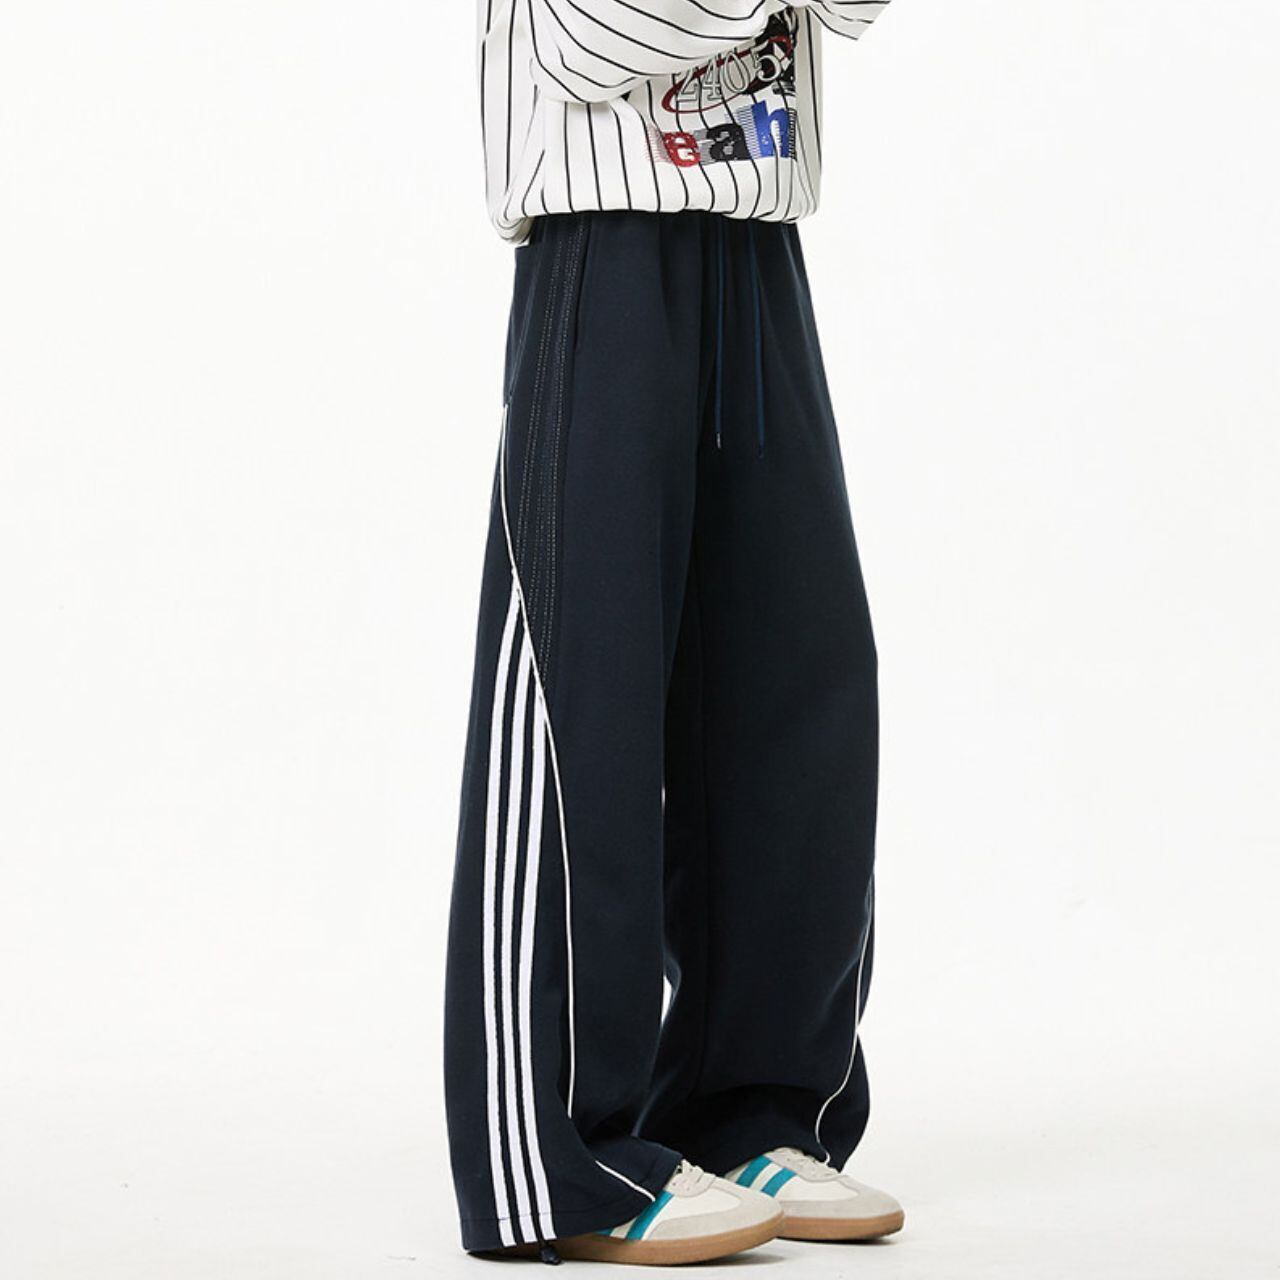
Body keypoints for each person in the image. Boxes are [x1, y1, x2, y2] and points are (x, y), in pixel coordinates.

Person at [443, 0, 902, 1263]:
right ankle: (557, 1161)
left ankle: (748, 1108)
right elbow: (581, 36)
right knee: (579, 695)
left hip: (753, 239)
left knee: (796, 682)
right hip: (598, 242)